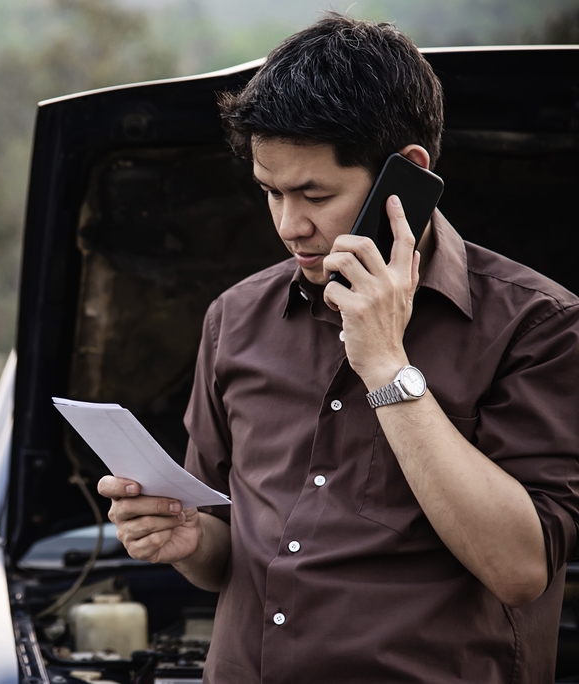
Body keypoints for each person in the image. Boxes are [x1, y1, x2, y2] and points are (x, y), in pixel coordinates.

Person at [98, 14, 579, 683]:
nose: (290, 226)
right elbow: (222, 547)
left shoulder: (538, 325)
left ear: (405, 175)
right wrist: (186, 541)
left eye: (314, 194)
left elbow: (520, 568)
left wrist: (386, 365)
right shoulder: (235, 318)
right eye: (271, 193)